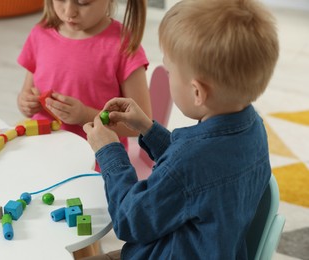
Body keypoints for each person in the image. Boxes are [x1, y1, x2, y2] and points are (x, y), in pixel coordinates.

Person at [82, 0, 279, 259]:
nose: (168, 77)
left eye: (170, 71)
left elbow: (129, 221)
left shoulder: (188, 162)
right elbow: (196, 174)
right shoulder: (254, 128)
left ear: (197, 92)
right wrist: (147, 128)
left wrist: (109, 151)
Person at [17, 0, 152, 149]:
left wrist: (84, 116)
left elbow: (142, 125)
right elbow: (26, 93)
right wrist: (26, 103)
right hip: (42, 148)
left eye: (83, 2)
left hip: (97, 158)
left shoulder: (123, 45)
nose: (69, 12)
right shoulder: (40, 33)